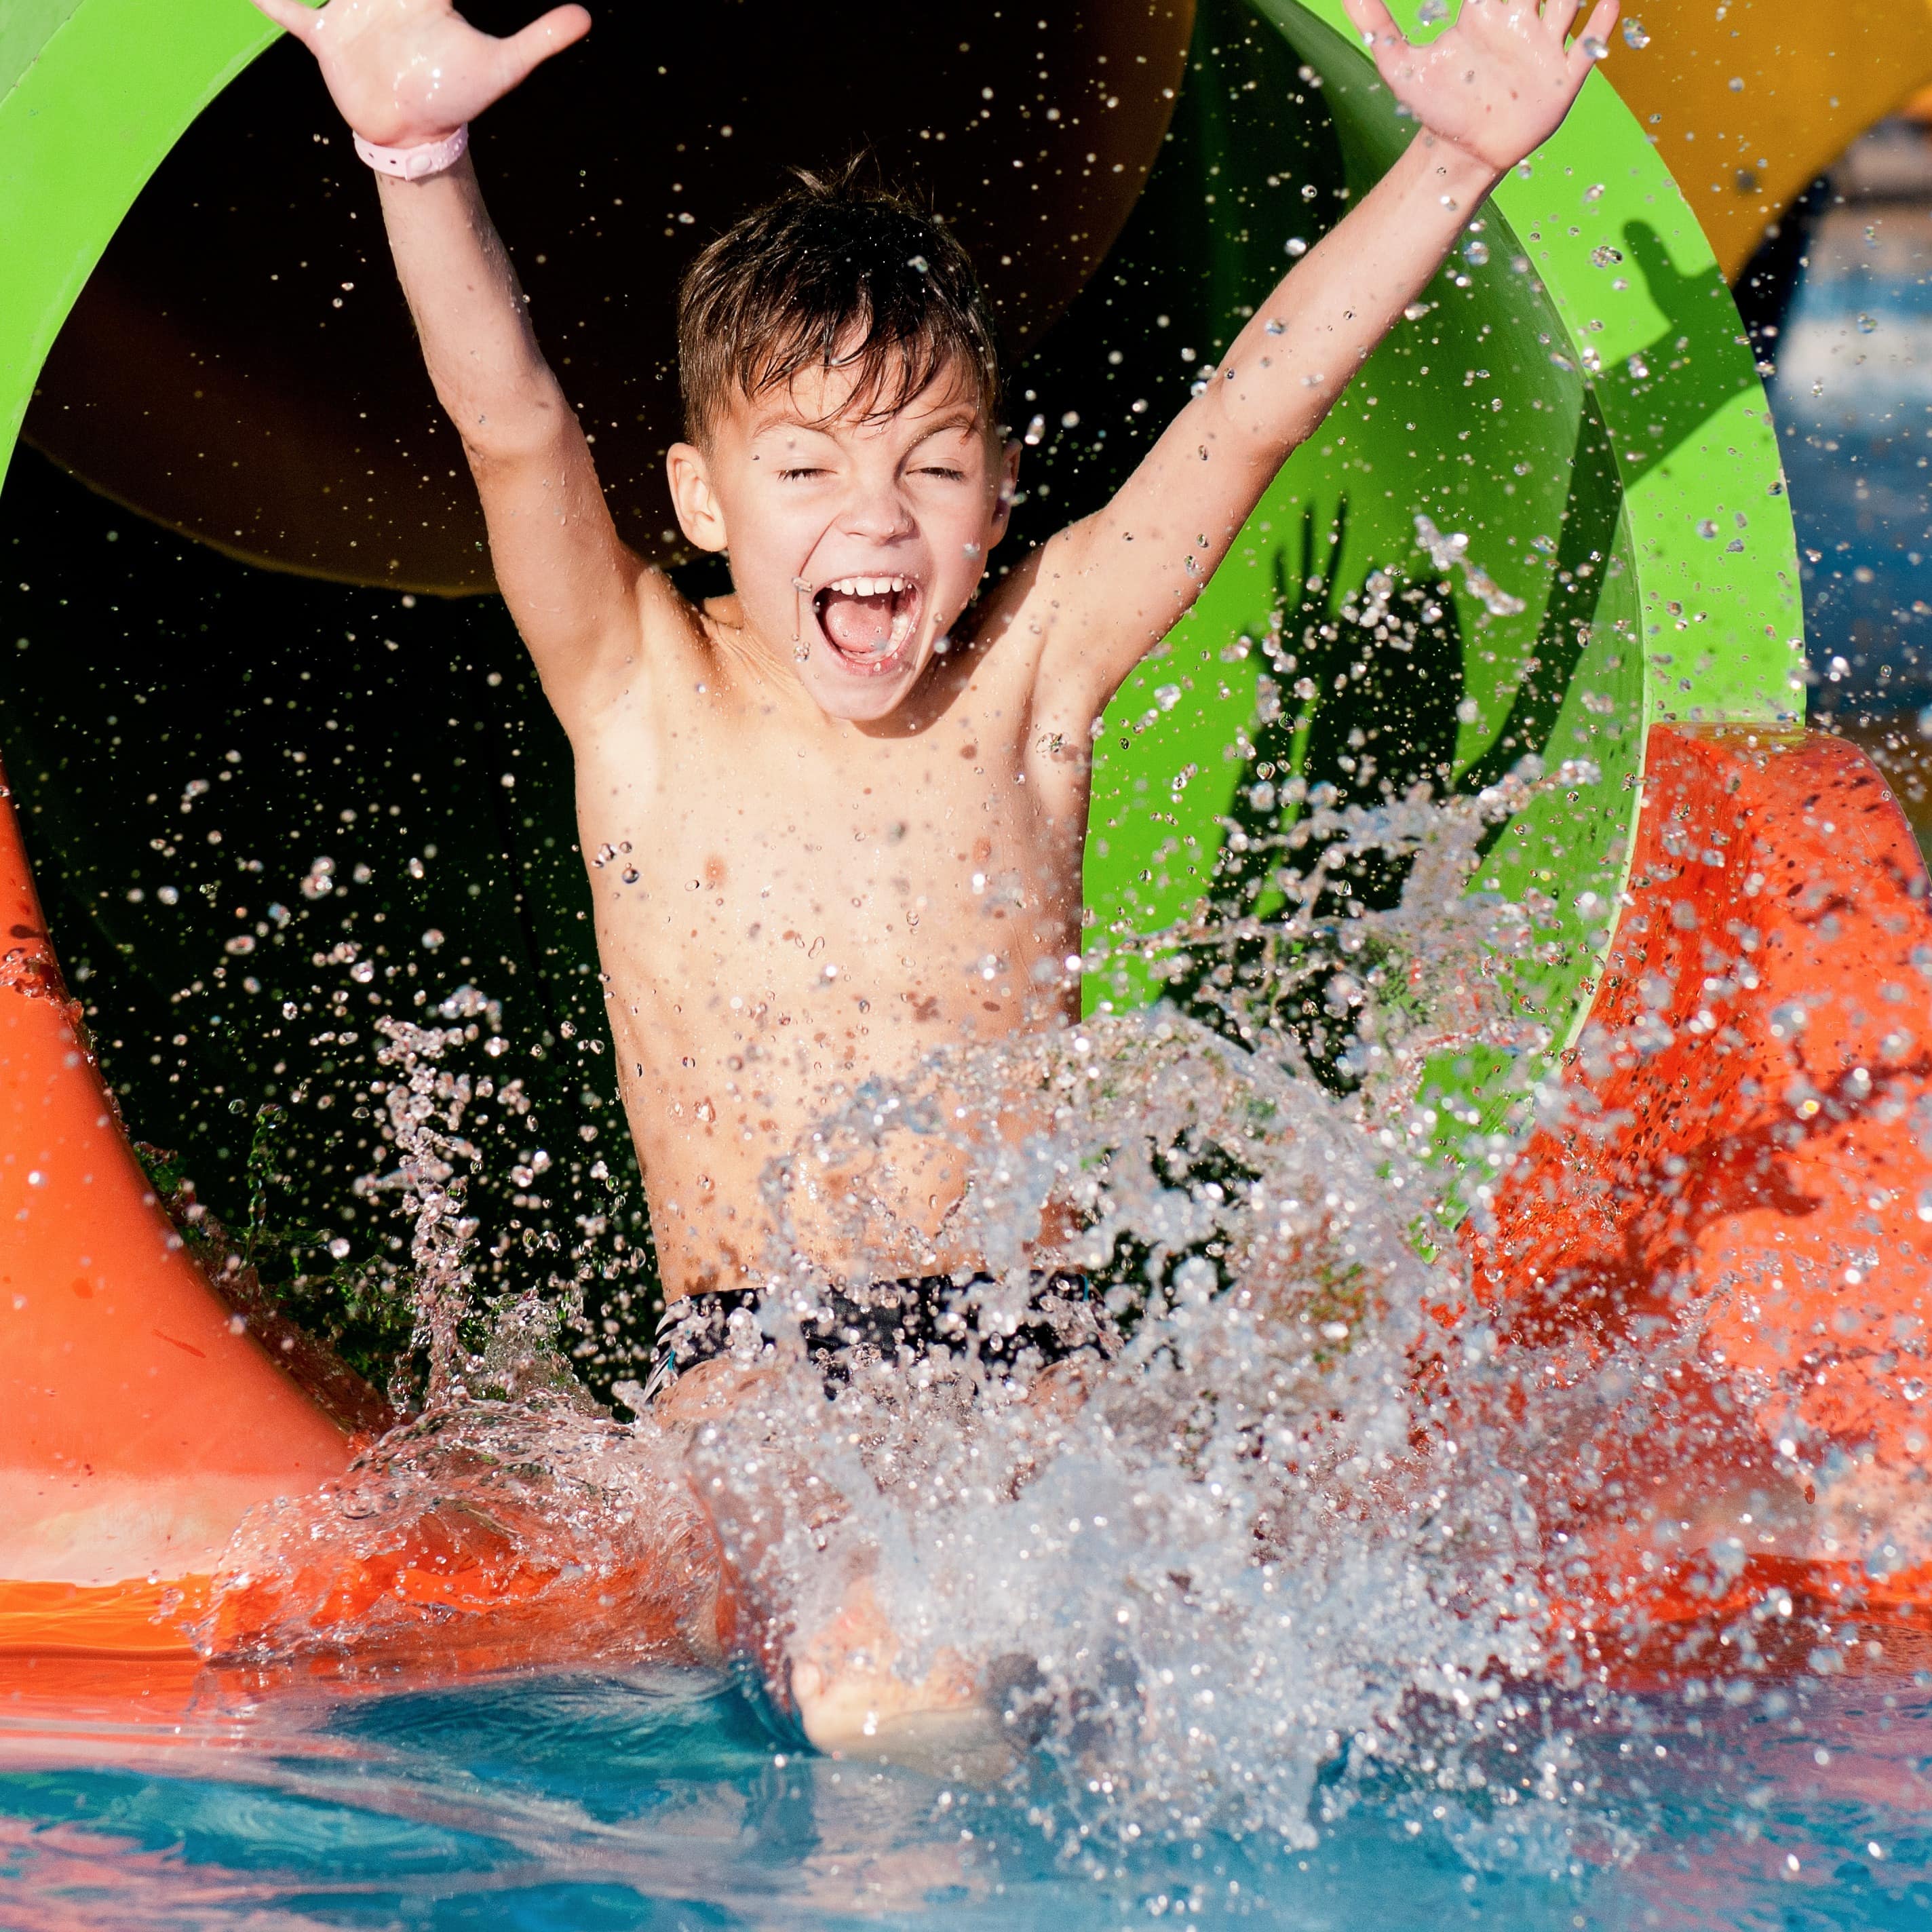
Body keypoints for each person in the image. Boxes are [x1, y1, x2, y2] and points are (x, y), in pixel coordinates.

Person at [247, 0, 1618, 1756]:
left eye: (931, 466)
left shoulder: (1035, 673)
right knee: (890, 1663)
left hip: (1028, 1352)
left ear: (1001, 496)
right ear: (703, 495)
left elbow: (1253, 414)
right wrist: (413, 159)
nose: (874, 519)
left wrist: (1455, 160)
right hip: (760, 1371)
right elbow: (509, 426)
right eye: (807, 468)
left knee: (1292, 1624)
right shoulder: (640, 694)